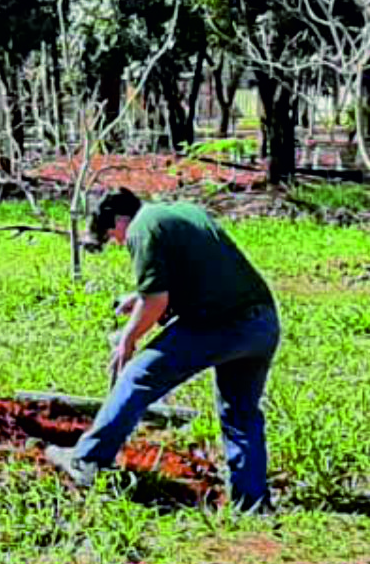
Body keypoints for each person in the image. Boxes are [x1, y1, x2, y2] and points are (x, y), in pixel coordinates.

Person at [44, 188, 281, 512]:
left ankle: (87, 460)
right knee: (240, 414)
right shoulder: (178, 212)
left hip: (220, 325)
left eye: (113, 236)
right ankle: (252, 504)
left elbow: (157, 302)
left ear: (119, 219)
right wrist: (138, 297)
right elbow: (195, 274)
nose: (118, 243)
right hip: (261, 324)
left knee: (138, 376)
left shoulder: (142, 228)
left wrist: (128, 340)